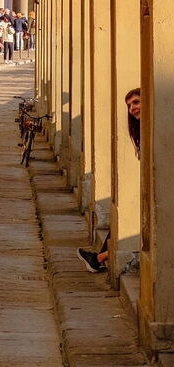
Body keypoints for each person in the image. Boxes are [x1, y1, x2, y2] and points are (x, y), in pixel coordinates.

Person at [77, 89, 141, 273]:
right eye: (129, 106)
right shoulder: (141, 129)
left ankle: (98, 258)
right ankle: (99, 258)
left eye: (136, 102)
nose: (132, 109)